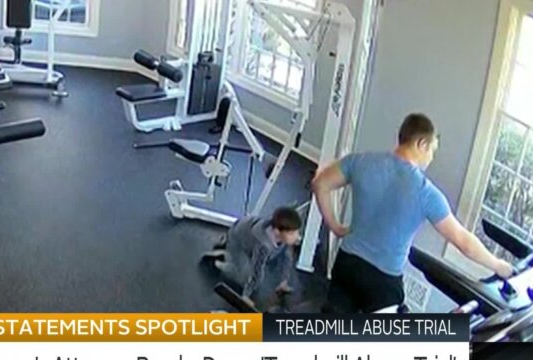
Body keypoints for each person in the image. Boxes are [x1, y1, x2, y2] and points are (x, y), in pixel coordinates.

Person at [312, 113, 513, 313]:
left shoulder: (361, 161)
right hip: (382, 280)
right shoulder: (426, 193)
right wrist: (499, 265)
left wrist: (336, 227)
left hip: (347, 263)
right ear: (422, 144)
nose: (431, 157)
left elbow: (320, 184)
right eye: (432, 150)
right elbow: (464, 242)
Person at [205, 207, 302, 309]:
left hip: (250, 239)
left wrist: (283, 281)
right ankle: (222, 261)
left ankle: (229, 255)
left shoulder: (282, 233)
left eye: (297, 232)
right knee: (243, 278)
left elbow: (287, 258)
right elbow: (256, 272)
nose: (297, 237)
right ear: (277, 232)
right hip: (237, 241)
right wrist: (245, 296)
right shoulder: (263, 244)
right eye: (292, 233)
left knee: (278, 258)